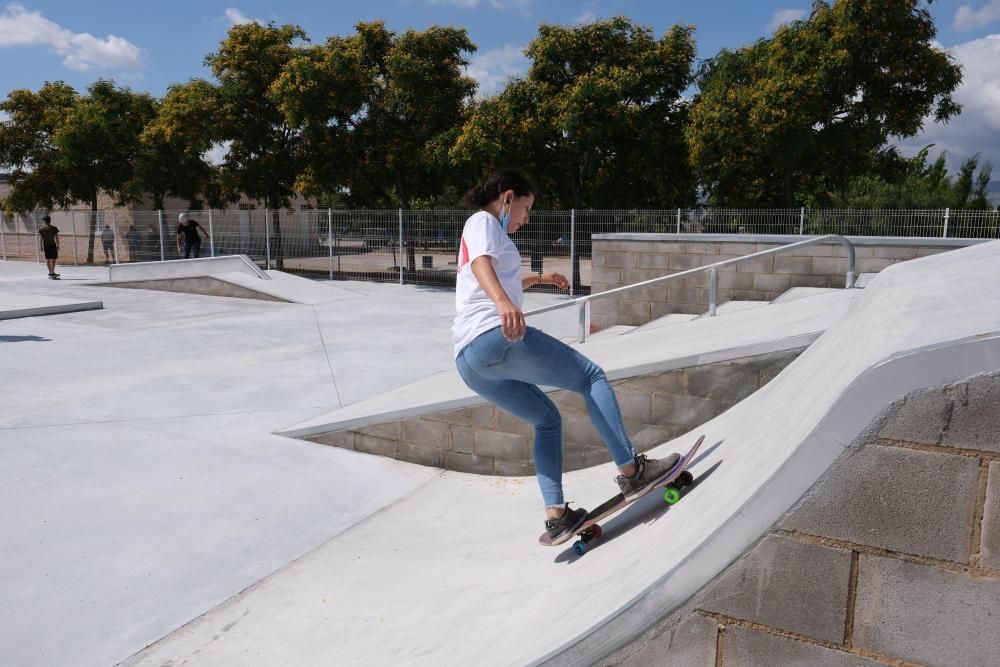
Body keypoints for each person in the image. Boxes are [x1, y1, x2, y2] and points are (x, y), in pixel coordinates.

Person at [452, 168, 681, 545]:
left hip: (469, 360)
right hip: (494, 335)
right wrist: (504, 302)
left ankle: (556, 516)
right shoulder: (483, 220)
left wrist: (539, 277)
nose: (526, 218)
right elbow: (482, 266)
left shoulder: (490, 234)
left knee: (546, 419)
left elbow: (492, 274)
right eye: (526, 208)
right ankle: (632, 470)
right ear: (507, 197)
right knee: (591, 376)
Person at [38, 214, 60, 279]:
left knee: (48, 259)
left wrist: (41, 246)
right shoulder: (54, 228)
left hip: (46, 245)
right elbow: (57, 237)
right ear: (50, 221)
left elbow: (41, 238)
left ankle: (51, 272)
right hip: (53, 245)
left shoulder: (42, 229)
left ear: (45, 221)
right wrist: (58, 245)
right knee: (53, 259)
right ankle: (52, 272)